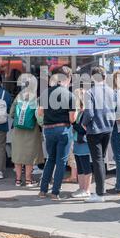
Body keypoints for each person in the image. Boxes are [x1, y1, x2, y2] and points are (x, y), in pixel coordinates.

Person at [38, 66, 77, 200]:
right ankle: (55, 192)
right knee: (61, 161)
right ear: (68, 78)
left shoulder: (45, 93)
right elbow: (72, 119)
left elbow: (40, 112)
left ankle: (43, 190)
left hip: (48, 129)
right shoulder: (70, 95)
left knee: (50, 159)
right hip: (63, 129)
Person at [81, 66, 116, 203]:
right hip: (108, 128)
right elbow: (115, 109)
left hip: (95, 129)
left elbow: (89, 113)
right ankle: (101, 191)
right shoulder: (111, 91)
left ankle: (100, 193)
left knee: (98, 161)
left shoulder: (90, 92)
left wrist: (84, 123)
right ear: (104, 77)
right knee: (101, 159)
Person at [10, 74, 44, 187]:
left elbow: (11, 113)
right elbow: (39, 118)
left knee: (18, 155)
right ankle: (29, 180)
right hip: (31, 131)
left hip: (18, 130)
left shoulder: (18, 96)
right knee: (29, 156)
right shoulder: (36, 98)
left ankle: (18, 180)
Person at [70, 86, 92, 199]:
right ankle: (81, 187)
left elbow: (84, 129)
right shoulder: (79, 112)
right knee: (79, 164)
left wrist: (73, 124)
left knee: (85, 165)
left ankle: (86, 189)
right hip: (77, 141)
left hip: (84, 142)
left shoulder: (86, 112)